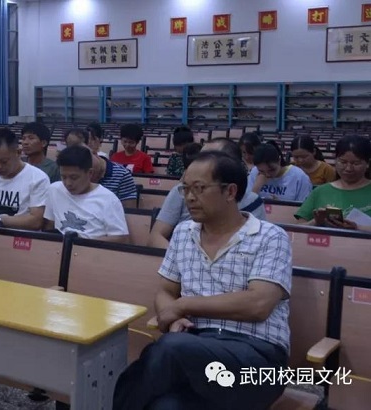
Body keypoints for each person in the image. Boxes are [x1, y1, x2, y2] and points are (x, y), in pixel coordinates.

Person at [114, 150, 291, 410]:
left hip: (256, 359)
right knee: (165, 407)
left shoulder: (270, 236)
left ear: (230, 192)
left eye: (198, 188)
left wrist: (184, 305)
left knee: (170, 347)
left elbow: (258, 305)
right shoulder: (183, 233)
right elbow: (165, 291)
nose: (188, 197)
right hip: (193, 350)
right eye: (185, 189)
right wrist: (172, 318)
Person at [149, 138, 266, 249]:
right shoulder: (181, 194)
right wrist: (178, 256)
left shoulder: (253, 203)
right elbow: (156, 235)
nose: (190, 197)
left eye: (208, 158)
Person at [44, 145, 128, 242]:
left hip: (92, 249)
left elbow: (121, 237)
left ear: (90, 173)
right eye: (63, 177)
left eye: (74, 177)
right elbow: (50, 225)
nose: (68, 183)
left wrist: (84, 244)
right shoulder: (54, 190)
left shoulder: (108, 199)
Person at [0, 128, 49, 230]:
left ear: (18, 152)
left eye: (4, 161)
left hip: (21, 237)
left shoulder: (38, 178)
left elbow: (36, 221)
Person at [295, 136, 371, 231]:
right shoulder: (320, 192)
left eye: (356, 163)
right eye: (343, 162)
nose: (348, 168)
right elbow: (298, 228)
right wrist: (316, 222)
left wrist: (357, 228)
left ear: (368, 163)